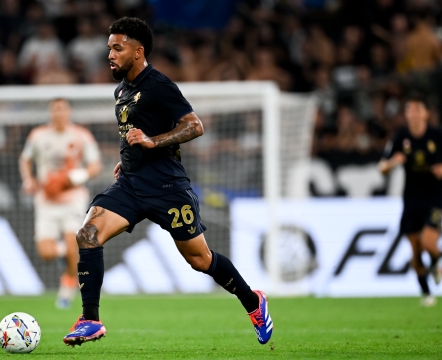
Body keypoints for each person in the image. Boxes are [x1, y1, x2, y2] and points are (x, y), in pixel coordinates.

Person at [62, 17, 273, 347]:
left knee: (200, 260)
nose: (110, 54)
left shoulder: (158, 84)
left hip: (168, 189)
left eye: (118, 48)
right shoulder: (122, 90)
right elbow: (133, 132)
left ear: (138, 51)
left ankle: (253, 302)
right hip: (131, 185)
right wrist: (128, 158)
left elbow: (195, 126)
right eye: (109, 48)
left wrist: (151, 142)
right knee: (88, 234)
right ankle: (90, 319)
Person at [379, 94, 442, 307]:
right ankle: (426, 292)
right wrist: (393, 163)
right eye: (410, 109)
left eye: (417, 109)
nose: (413, 113)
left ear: (425, 114)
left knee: (428, 241)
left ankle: (436, 261)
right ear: (406, 115)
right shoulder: (400, 137)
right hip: (411, 198)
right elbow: (382, 167)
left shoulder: (437, 135)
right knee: (415, 250)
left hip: (434, 196)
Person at [19, 98, 102, 309]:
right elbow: (25, 159)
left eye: (62, 110)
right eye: (55, 110)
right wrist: (28, 180)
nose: (59, 114)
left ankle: (67, 286)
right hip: (46, 199)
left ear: (68, 112)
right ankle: (66, 254)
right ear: (51, 113)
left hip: (73, 198)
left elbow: (95, 166)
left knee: (71, 238)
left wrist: (73, 178)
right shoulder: (38, 135)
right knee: (46, 252)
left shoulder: (81, 135)